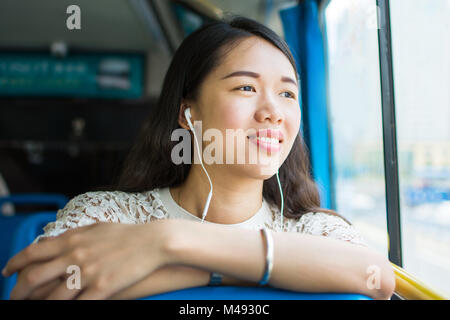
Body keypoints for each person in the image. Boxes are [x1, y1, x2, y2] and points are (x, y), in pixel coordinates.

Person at [1, 16, 395, 300]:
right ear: (188, 113)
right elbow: (41, 290)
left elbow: (375, 276)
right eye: (245, 87)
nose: (274, 110)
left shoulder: (314, 229)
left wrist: (169, 242)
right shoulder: (107, 214)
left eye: (287, 94)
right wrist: (220, 266)